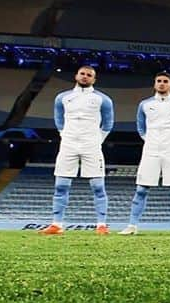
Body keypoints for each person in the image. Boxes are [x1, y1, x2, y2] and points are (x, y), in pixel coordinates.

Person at [38, 65, 114, 235]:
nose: (85, 77)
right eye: (82, 74)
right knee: (61, 186)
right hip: (68, 145)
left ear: (94, 79)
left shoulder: (103, 99)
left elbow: (108, 123)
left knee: (98, 187)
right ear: (76, 75)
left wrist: (97, 140)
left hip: (92, 146)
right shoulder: (62, 98)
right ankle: (57, 224)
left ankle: (101, 225)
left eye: (89, 75)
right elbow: (58, 118)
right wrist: (63, 134)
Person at [119, 72, 170, 235]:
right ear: (154, 84)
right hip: (150, 152)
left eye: (165, 81)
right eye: (158, 81)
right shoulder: (144, 105)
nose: (162, 84)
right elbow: (141, 128)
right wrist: (152, 141)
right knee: (141, 189)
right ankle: (132, 225)